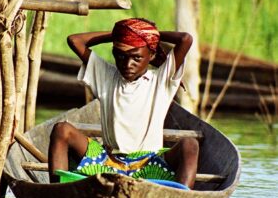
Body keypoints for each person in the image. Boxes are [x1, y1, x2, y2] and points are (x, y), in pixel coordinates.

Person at [48, 18, 199, 189]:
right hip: (108, 161)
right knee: (62, 129)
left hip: (150, 163)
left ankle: (180, 197)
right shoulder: (107, 76)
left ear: (152, 55)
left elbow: (185, 39)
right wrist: (120, 34)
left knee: (190, 144)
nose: (128, 64)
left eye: (136, 58)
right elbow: (75, 40)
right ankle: (57, 192)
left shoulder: (160, 80)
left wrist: (144, 34)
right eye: (121, 56)